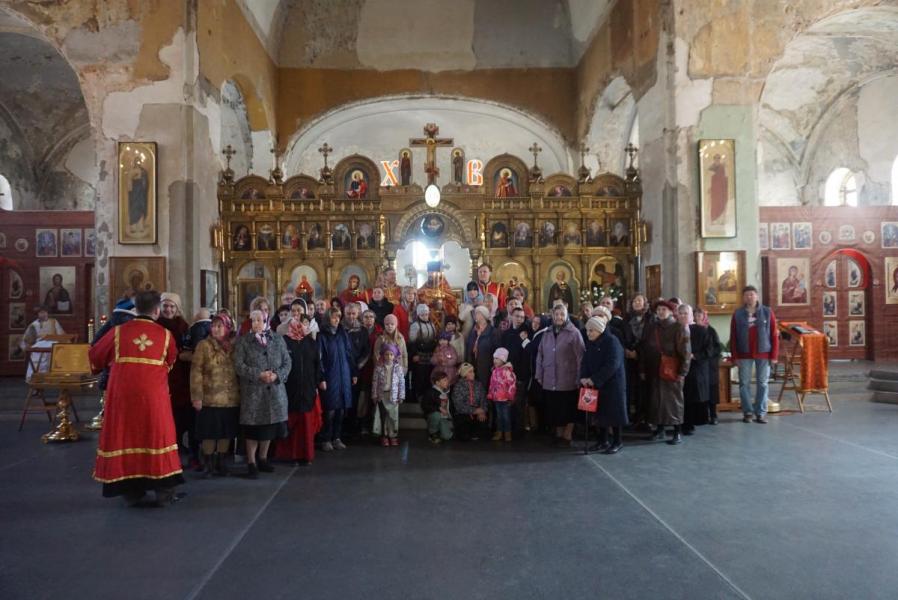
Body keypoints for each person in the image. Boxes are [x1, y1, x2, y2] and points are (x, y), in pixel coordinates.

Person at [89, 291, 184, 507]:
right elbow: (171, 360)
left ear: (136, 309)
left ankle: (131, 491)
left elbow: (95, 356)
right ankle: (164, 492)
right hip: (153, 398)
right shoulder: (165, 335)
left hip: (122, 398)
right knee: (156, 438)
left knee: (126, 437)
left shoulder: (118, 332)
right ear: (157, 311)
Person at [233, 309, 290, 478]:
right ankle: (251, 462)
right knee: (253, 430)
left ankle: (263, 459)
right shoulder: (243, 342)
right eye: (253, 320)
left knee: (269, 429)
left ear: (266, 321)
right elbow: (238, 365)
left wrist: (277, 375)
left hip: (274, 392)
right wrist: (258, 374)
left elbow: (287, 361)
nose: (256, 323)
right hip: (253, 393)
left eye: (259, 320)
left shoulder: (277, 339)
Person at [190, 313, 240, 477]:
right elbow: (196, 372)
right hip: (210, 398)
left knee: (226, 433)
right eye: (214, 325)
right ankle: (208, 463)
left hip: (230, 398)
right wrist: (197, 396)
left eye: (220, 326)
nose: (216, 329)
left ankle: (221, 462)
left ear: (227, 328)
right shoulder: (203, 345)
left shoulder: (234, 345)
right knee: (209, 433)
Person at [641, 300, 692, 445]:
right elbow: (646, 348)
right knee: (657, 400)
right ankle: (660, 429)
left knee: (674, 401)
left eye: (664, 309)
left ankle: (677, 431)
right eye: (658, 310)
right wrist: (643, 368)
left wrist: (683, 371)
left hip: (672, 369)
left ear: (670, 312)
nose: (660, 312)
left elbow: (686, 352)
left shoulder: (678, 328)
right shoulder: (653, 327)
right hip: (655, 368)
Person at [535, 304, 585, 447]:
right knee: (554, 409)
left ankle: (567, 435)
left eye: (562, 314)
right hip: (550, 379)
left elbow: (580, 357)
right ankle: (558, 434)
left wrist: (579, 378)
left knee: (568, 409)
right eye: (556, 314)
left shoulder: (574, 333)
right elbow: (540, 354)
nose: (559, 317)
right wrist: (539, 374)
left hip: (567, 379)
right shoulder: (547, 333)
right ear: (552, 316)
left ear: (566, 315)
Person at [278, 313, 323, 465]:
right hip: (290, 388)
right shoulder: (284, 341)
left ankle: (306, 455)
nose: (299, 326)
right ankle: (290, 455)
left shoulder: (310, 341)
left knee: (306, 424)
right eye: (296, 323)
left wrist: (319, 380)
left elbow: (317, 363)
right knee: (291, 423)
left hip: (308, 387)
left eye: (302, 323)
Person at [730, 285, 779, 424]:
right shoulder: (738, 314)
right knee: (744, 383)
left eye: (752, 294)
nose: (749, 297)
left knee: (762, 383)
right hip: (744, 354)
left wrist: (774, 355)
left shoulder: (767, 312)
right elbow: (733, 336)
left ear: (757, 296)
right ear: (743, 298)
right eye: (746, 295)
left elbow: (774, 334)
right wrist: (735, 356)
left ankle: (761, 412)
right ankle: (748, 412)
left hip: (764, 353)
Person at [580, 316, 628, 454]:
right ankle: (602, 440)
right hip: (596, 384)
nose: (588, 333)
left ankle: (617, 441)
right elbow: (585, 361)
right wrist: (583, 377)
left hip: (612, 384)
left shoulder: (612, 342)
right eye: (588, 330)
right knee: (599, 414)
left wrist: (594, 379)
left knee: (614, 414)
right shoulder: (590, 343)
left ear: (600, 330)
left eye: (592, 331)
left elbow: (612, 365)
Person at [158, 292, 195, 468]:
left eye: (172, 306)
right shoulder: (155, 324)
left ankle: (179, 442)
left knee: (181, 412)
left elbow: (188, 345)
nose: (168, 309)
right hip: (163, 373)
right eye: (165, 306)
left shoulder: (183, 325)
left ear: (177, 308)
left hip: (181, 373)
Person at [318, 307, 357, 451]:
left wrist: (354, 373)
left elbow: (349, 354)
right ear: (328, 318)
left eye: (338, 317)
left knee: (341, 409)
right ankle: (326, 438)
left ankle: (337, 437)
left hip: (344, 375)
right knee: (330, 410)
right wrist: (321, 378)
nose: (337, 320)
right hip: (330, 375)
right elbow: (320, 359)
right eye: (334, 317)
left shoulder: (343, 334)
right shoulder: (322, 336)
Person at [500, 306, 532, 432]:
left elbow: (528, 352)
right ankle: (508, 429)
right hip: (507, 373)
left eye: (522, 317)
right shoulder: (506, 334)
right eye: (517, 316)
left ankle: (518, 430)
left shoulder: (526, 333)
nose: (519, 319)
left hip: (520, 373)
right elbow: (503, 352)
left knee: (519, 403)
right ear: (511, 316)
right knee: (508, 402)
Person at [371, 343, 405, 446]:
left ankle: (393, 436)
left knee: (393, 417)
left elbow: (401, 383)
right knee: (383, 417)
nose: (389, 356)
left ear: (394, 356)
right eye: (386, 354)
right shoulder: (379, 367)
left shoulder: (398, 368)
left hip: (393, 397)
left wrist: (401, 396)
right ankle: (384, 436)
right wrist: (374, 395)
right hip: (382, 396)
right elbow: (375, 382)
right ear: (383, 355)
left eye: (391, 354)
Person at [622, 294, 649, 425]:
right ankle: (631, 416)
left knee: (644, 389)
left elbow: (650, 340)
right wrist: (627, 351)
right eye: (634, 301)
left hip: (645, 359)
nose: (637, 303)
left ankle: (643, 417)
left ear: (644, 303)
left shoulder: (650, 319)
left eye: (639, 300)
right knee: (631, 387)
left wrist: (638, 353)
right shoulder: (626, 319)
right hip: (629, 358)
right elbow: (622, 337)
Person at [21, 305, 65, 382]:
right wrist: (27, 347)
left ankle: (59, 380)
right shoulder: (33, 325)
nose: (44, 314)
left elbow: (61, 335)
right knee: (37, 360)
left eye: (45, 312)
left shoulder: (54, 322)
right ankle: (36, 382)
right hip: (39, 347)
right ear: (38, 314)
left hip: (53, 346)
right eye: (41, 313)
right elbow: (28, 339)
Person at [450, 363, 488, 441]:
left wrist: (482, 411)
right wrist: (474, 411)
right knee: (464, 435)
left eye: (473, 371)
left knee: (482, 430)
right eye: (470, 372)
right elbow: (458, 405)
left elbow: (484, 399)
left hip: (478, 413)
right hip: (464, 414)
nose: (473, 373)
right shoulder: (458, 386)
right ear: (464, 374)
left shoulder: (479, 385)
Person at [408, 303, 438, 401]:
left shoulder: (432, 325)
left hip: (430, 355)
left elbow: (434, 340)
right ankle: (417, 397)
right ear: (418, 315)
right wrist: (415, 354)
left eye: (426, 314)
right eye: (422, 314)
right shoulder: (415, 326)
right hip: (419, 355)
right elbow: (411, 343)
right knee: (419, 377)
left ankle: (427, 397)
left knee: (428, 376)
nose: (425, 316)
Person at [487, 347, 517, 442]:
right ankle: (499, 432)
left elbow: (512, 385)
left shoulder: (507, 371)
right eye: (494, 358)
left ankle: (507, 433)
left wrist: (510, 397)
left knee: (506, 417)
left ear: (503, 360)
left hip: (505, 399)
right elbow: (492, 384)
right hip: (497, 399)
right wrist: (491, 394)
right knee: (499, 417)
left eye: (497, 358)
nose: (494, 360)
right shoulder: (494, 371)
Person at [466, 305, 499, 385]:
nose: (475, 315)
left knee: (484, 388)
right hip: (473, 364)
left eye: (478, 313)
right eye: (475, 313)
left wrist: (494, 365)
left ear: (484, 315)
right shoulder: (473, 330)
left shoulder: (493, 331)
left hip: (486, 366)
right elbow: (468, 346)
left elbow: (496, 350)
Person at [422, 369, 453, 444]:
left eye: (447, 380)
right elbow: (425, 406)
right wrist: (439, 408)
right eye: (444, 380)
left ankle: (440, 430)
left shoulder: (447, 391)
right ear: (437, 383)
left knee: (447, 436)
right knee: (436, 415)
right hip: (435, 415)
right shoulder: (430, 392)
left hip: (445, 417)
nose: (447, 382)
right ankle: (432, 433)